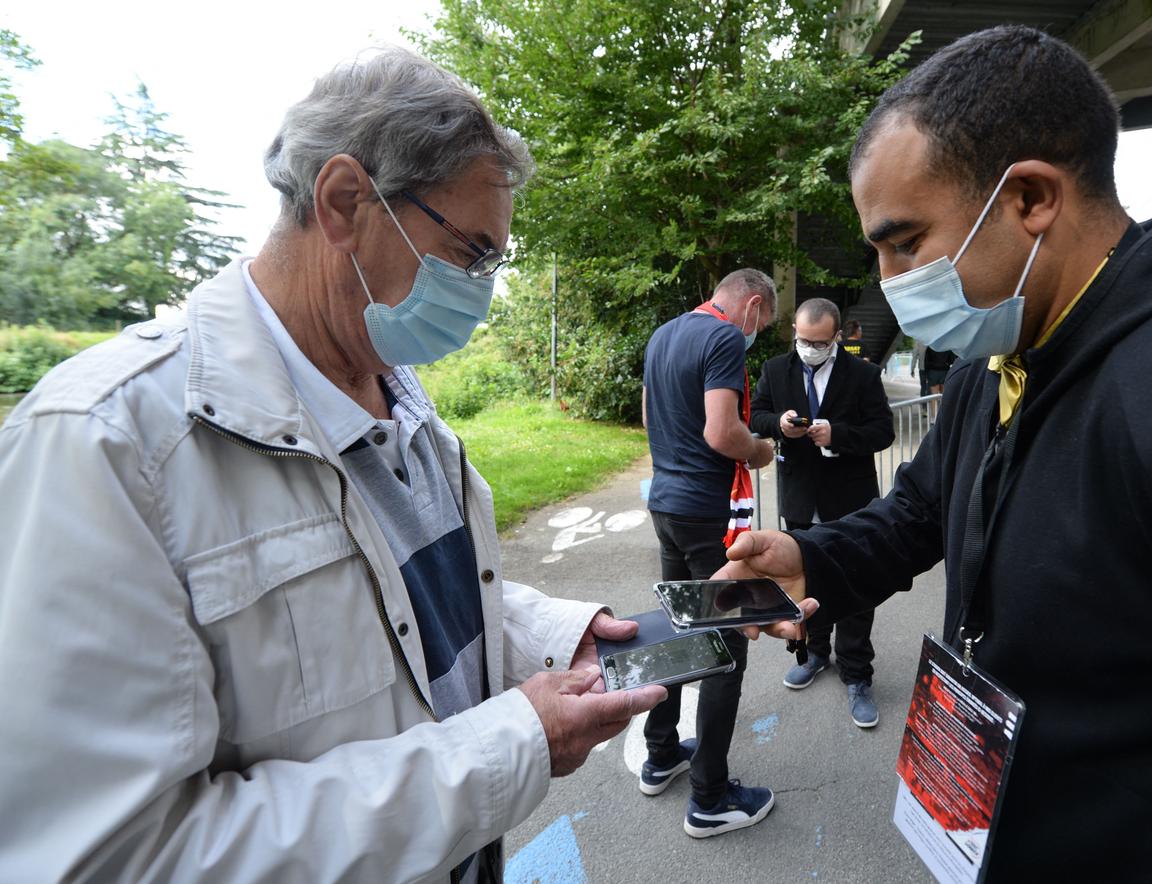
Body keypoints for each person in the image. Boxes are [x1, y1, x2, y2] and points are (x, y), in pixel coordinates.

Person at [0, 48, 665, 883]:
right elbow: (115, 856)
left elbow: (394, 595)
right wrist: (510, 745)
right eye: (471, 253)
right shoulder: (106, 445)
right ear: (347, 201)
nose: (482, 288)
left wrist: (548, 637)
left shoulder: (399, 391)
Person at [719, 25, 1152, 880]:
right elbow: (921, 512)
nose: (892, 283)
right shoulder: (996, 360)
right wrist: (808, 557)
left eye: (905, 242)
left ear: (1032, 199)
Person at [639, 268, 777, 838]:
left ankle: (661, 752)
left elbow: (650, 418)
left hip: (666, 503)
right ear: (750, 306)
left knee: (677, 631)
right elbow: (723, 433)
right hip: (705, 512)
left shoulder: (665, 333)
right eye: (761, 325)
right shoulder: (722, 337)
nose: (755, 334)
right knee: (726, 646)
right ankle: (711, 797)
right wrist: (762, 449)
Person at [749, 298, 894, 726]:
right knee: (807, 583)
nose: (808, 348)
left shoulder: (864, 375)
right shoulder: (777, 369)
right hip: (799, 497)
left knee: (855, 584)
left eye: (818, 342)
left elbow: (883, 431)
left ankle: (856, 673)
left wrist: (839, 434)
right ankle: (815, 654)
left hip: (850, 500)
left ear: (837, 338)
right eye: (802, 340)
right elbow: (757, 416)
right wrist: (780, 423)